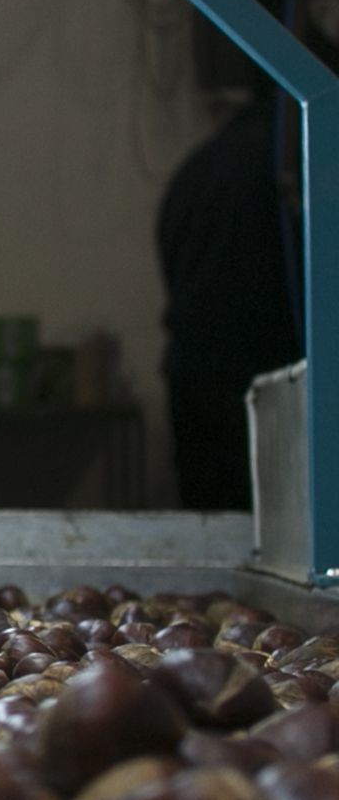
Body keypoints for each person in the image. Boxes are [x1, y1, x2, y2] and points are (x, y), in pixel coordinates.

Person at [157, 93, 302, 510]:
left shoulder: (196, 169)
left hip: (194, 380)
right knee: (274, 520)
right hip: (265, 383)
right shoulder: (284, 171)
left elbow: (169, 257)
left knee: (209, 522)